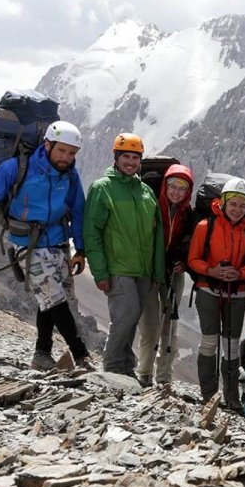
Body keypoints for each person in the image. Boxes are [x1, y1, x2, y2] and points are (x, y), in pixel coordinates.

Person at [0, 121, 91, 371]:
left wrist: (80, 249)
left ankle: (41, 354)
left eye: (72, 153)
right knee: (56, 301)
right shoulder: (17, 168)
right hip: (29, 245)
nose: (67, 158)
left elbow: (78, 211)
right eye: (62, 151)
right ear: (47, 144)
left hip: (58, 243)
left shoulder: (70, 175)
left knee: (51, 298)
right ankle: (82, 357)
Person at [82, 133, 164, 377]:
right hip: (118, 268)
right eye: (125, 156)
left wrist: (157, 271)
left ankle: (125, 367)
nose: (130, 162)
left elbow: (156, 234)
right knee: (124, 317)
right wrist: (100, 271)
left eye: (135, 157)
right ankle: (112, 366)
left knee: (131, 318)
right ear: (116, 158)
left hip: (143, 270)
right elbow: (92, 233)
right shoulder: (102, 188)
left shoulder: (146, 191)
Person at [186, 177, 245, 409]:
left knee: (230, 345)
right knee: (210, 341)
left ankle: (231, 397)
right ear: (223, 202)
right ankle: (209, 395)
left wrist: (239, 274)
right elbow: (193, 259)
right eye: (233, 204)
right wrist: (212, 271)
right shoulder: (205, 226)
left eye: (242, 205)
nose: (238, 209)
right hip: (208, 289)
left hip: (236, 290)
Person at [136, 165, 196, 387]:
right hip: (151, 271)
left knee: (170, 325)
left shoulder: (188, 213)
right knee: (150, 323)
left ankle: (163, 376)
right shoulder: (152, 205)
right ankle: (144, 371)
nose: (177, 192)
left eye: (183, 188)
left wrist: (184, 261)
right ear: (165, 186)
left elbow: (191, 242)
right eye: (173, 186)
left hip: (174, 272)